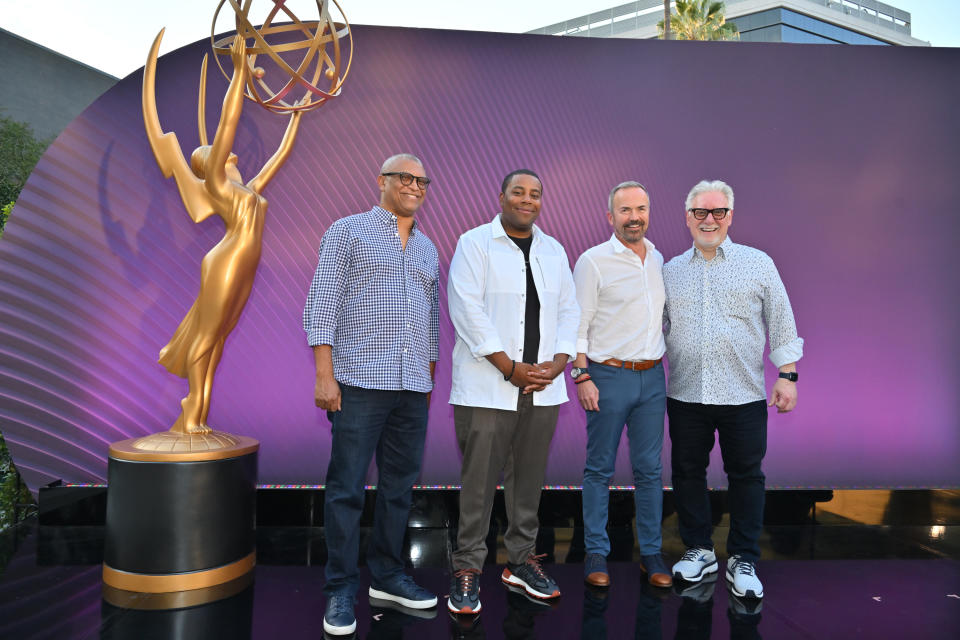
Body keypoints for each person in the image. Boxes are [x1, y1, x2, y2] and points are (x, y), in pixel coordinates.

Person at [303, 154, 440, 635]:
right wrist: (325, 374)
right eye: (406, 177)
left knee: (399, 489)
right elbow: (323, 301)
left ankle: (387, 576)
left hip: (411, 389)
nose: (415, 186)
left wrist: (427, 380)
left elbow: (430, 321)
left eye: (422, 180)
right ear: (381, 181)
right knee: (346, 491)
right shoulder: (348, 231)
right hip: (358, 384)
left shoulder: (427, 249)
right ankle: (340, 588)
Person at [144, 33, 303, 436]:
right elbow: (228, 122)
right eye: (215, 150)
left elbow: (280, 156)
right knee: (208, 335)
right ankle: (192, 408)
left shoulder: (248, 188)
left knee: (220, 341)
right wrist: (237, 74)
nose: (227, 150)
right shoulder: (216, 184)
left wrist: (298, 112)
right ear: (207, 162)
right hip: (226, 259)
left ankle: (195, 413)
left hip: (245, 261)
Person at [446, 169, 579, 615]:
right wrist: (508, 367)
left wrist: (559, 363)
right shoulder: (474, 243)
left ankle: (521, 561)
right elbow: (467, 309)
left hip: (542, 387)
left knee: (528, 482)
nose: (528, 200)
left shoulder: (554, 249)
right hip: (488, 386)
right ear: (501, 196)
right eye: (519, 192)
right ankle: (467, 568)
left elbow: (568, 310)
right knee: (479, 484)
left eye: (535, 194)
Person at [663, 180, 803, 600]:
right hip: (686, 394)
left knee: (746, 476)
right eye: (700, 213)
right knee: (687, 475)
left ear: (730, 216)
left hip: (744, 396)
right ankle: (699, 550)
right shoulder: (669, 270)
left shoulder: (758, 264)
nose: (709, 220)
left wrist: (788, 375)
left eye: (718, 212)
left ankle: (743, 558)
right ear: (688, 217)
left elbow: (781, 321)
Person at [571, 181, 671, 589]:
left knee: (650, 470)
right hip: (607, 376)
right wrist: (582, 376)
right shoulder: (593, 261)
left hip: (652, 378)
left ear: (649, 213)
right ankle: (596, 551)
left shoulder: (658, 258)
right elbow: (576, 326)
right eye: (625, 210)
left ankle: (651, 553)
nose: (635, 217)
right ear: (610, 217)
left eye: (641, 209)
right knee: (600, 469)